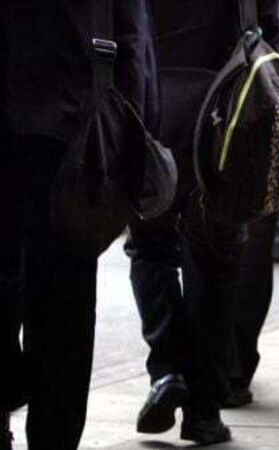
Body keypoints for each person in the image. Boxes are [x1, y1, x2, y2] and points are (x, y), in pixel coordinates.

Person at [127, 0, 279, 444]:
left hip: (151, 110)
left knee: (149, 246)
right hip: (227, 116)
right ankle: (204, 410)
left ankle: (166, 370)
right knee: (216, 258)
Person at [0, 1, 157, 449]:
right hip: (73, 134)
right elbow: (132, 39)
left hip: (62, 136)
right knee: (64, 309)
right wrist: (134, 136)